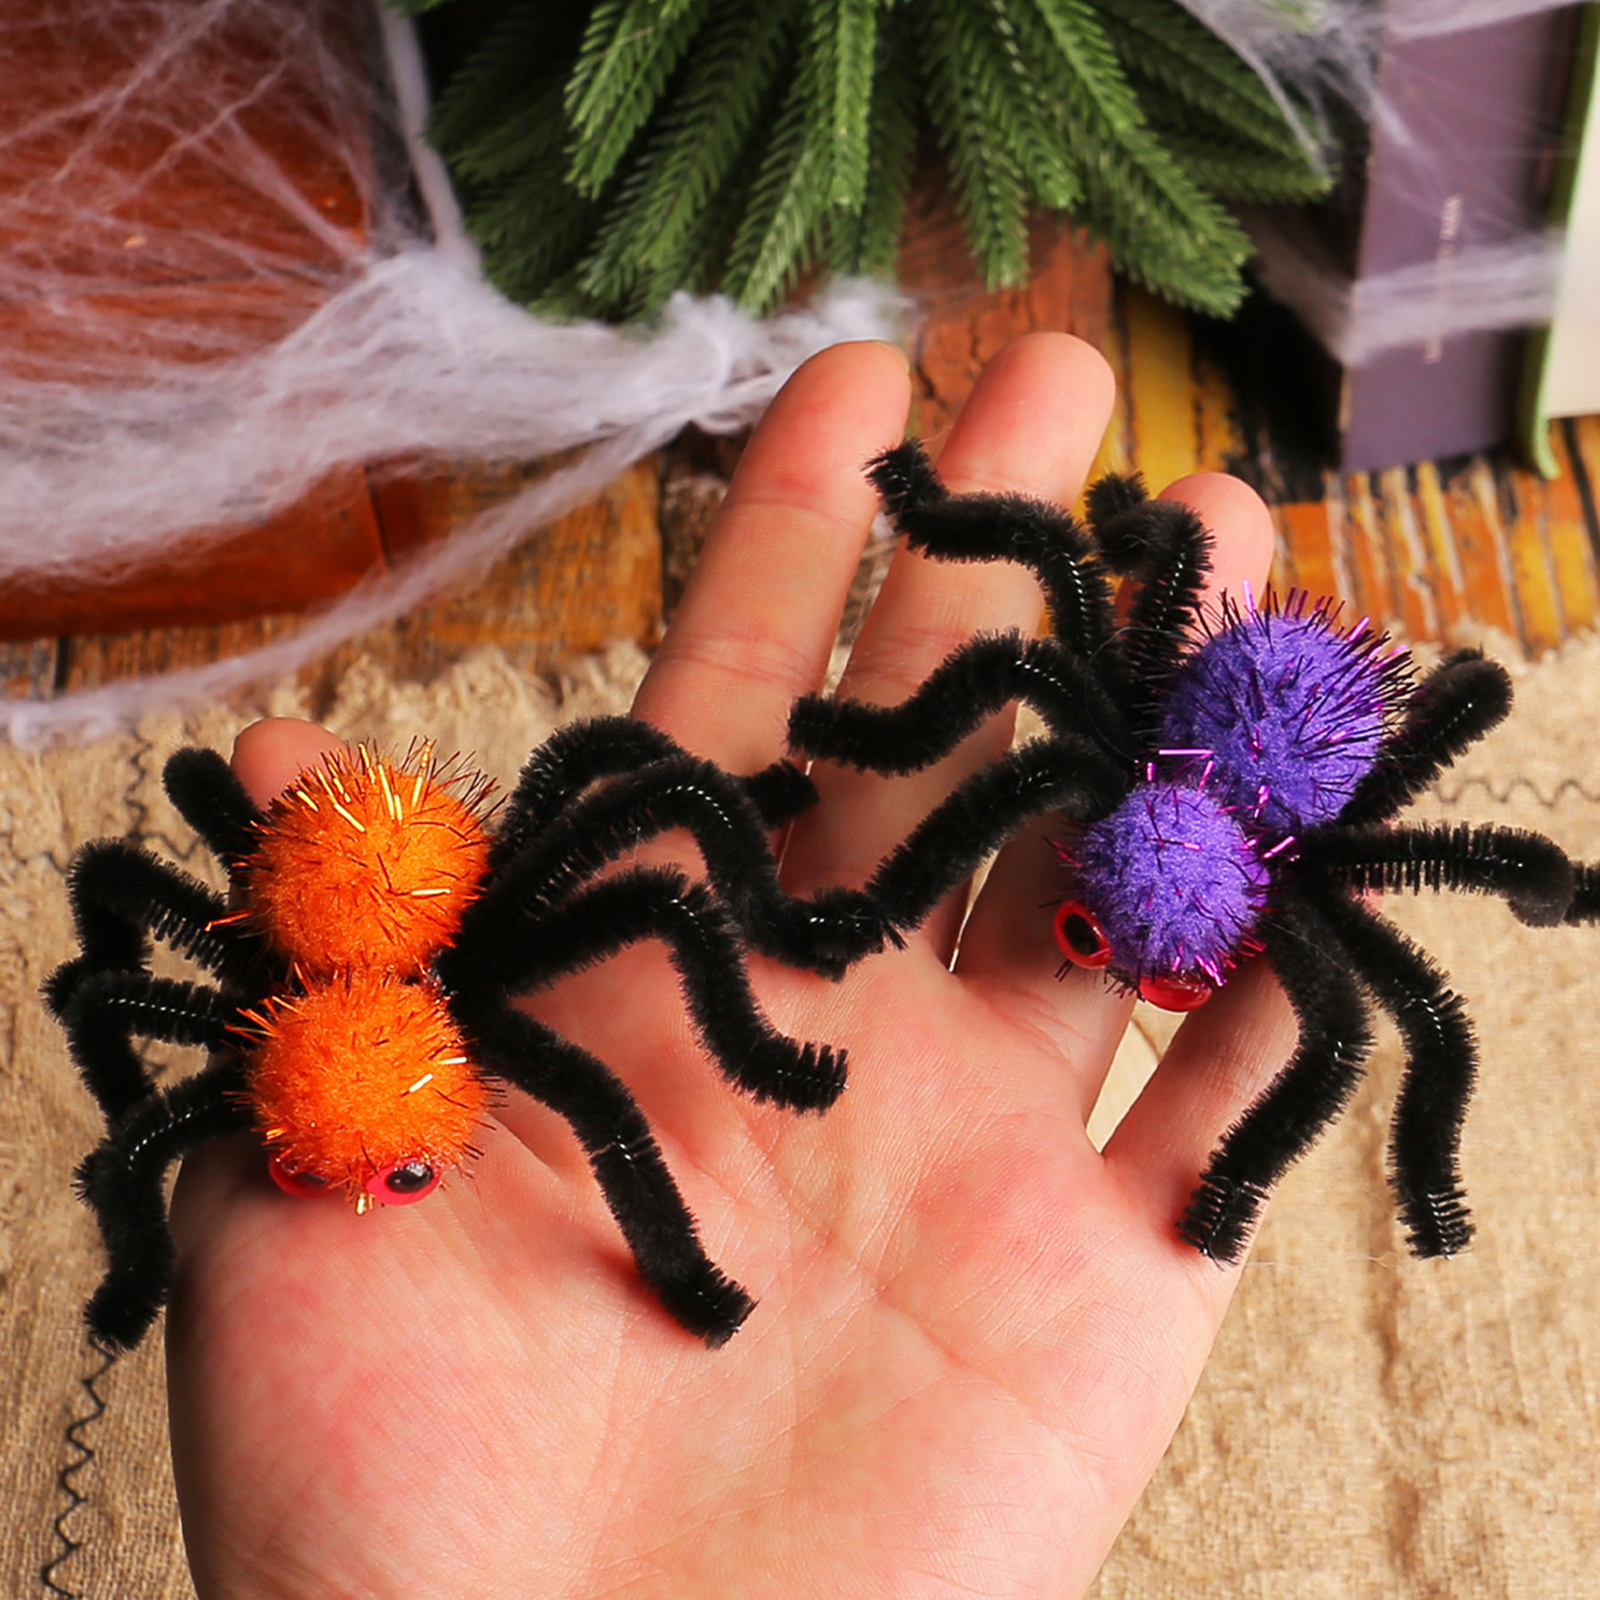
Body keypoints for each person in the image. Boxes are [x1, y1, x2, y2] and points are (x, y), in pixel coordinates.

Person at [165, 332, 1291, 1598]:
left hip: (413, 956)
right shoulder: (352, 1043)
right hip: (376, 965)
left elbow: (609, 799)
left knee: (638, 861)